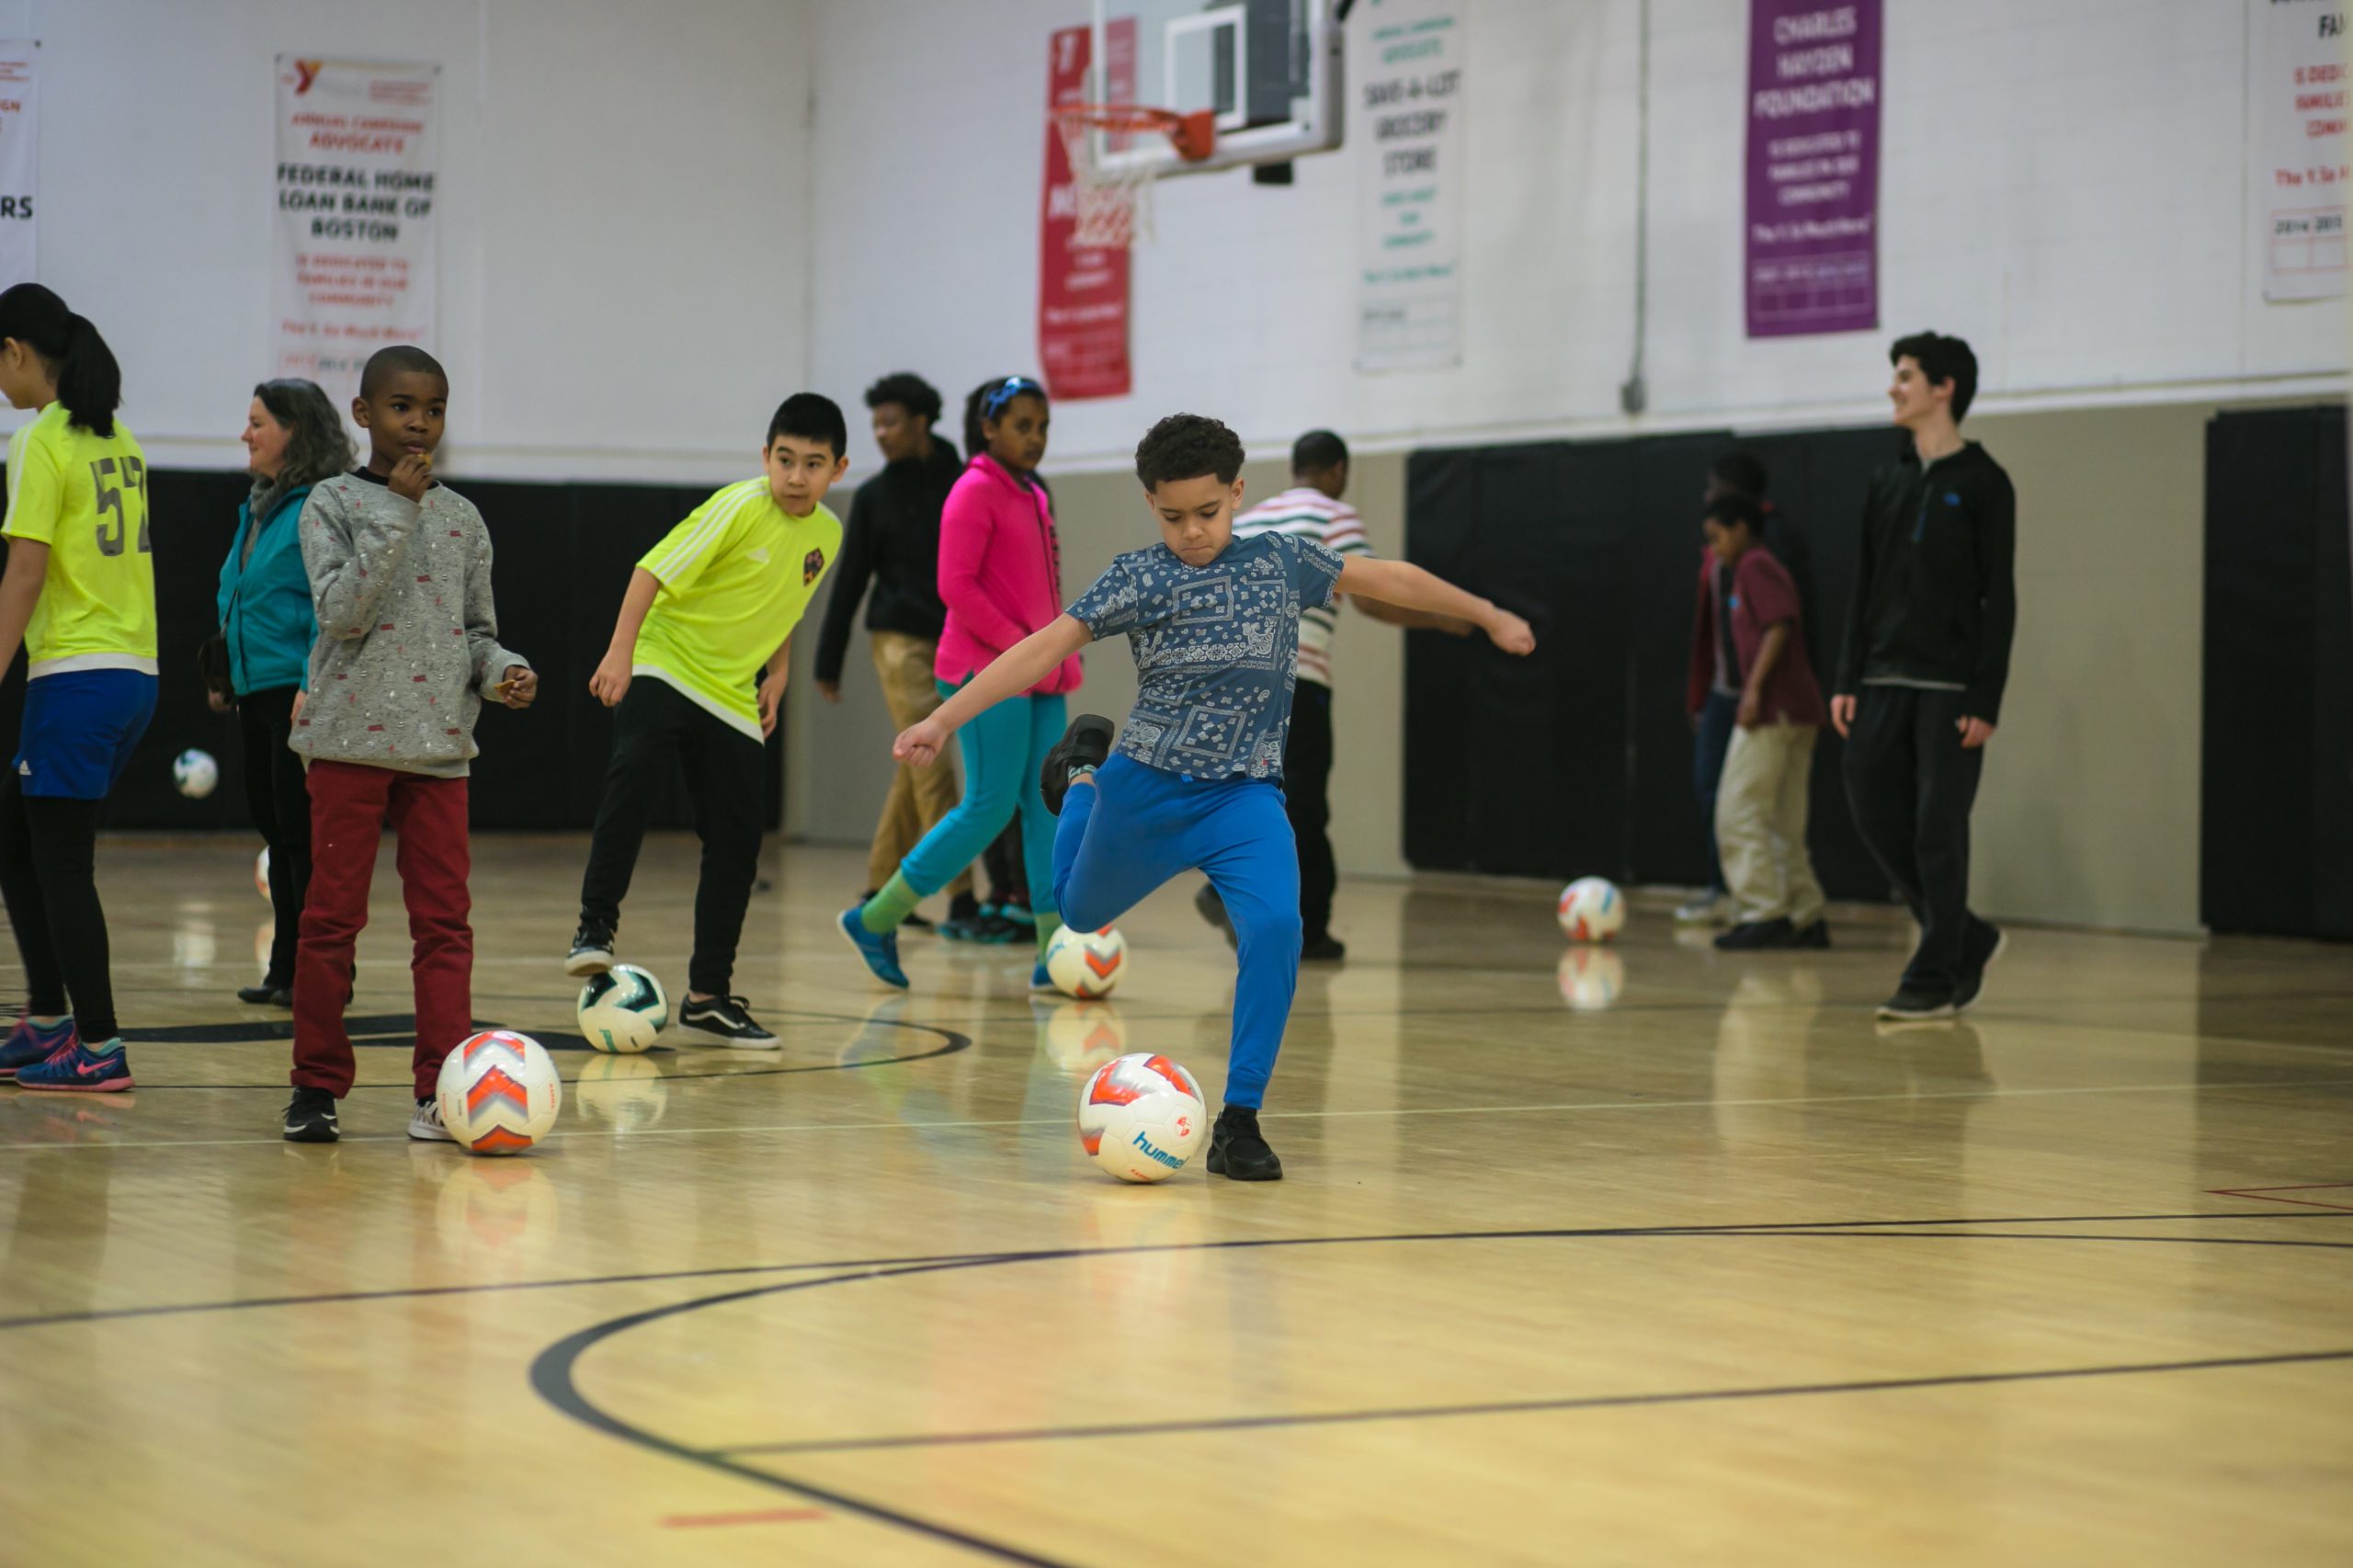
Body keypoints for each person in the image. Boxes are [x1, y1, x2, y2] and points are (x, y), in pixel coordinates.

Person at [889, 414, 1534, 1178]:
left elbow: (1386, 575)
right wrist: (942, 716)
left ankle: (1240, 1121)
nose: (1192, 532)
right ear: (1149, 503)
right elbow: (1039, 650)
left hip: (1244, 797)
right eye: (1172, 516)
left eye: (1208, 512)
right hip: (1147, 787)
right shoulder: (1139, 577)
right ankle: (1081, 779)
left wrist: (1488, 614)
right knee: (1081, 915)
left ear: (1238, 492)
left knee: (1275, 930)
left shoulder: (1282, 562)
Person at [280, 346, 537, 1142]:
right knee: (329, 922)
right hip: (348, 745)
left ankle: (442, 1086)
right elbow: (341, 614)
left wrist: (505, 672)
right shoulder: (329, 503)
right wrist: (393, 508)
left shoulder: (462, 518)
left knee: (445, 926)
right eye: (401, 407)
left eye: (432, 408)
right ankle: (316, 1086)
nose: (418, 422)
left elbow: (476, 634)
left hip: (437, 752)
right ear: (363, 415)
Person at [567, 394, 849, 1047]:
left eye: (813, 464)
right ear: (765, 457)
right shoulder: (738, 506)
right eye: (784, 460)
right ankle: (594, 928)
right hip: (666, 660)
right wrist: (619, 654)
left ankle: (708, 996)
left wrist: (776, 676)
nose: (796, 476)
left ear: (837, 468)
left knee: (738, 841)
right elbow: (650, 570)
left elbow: (787, 606)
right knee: (632, 778)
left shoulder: (827, 535)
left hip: (729, 691)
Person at [1195, 428, 1472, 962]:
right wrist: (1441, 618)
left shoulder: (1249, 519)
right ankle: (1311, 931)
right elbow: (1372, 596)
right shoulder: (1333, 515)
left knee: (1248, 800)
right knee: (1302, 805)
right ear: (1338, 472)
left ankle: (1225, 890)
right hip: (1296, 685)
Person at [837, 375, 1077, 987]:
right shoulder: (972, 490)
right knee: (987, 808)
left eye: (1043, 427)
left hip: (1038, 674)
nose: (1036, 438)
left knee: (1049, 809)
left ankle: (1053, 954)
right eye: (1023, 426)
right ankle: (875, 917)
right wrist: (1023, 648)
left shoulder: (1034, 494)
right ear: (989, 428)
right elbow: (956, 588)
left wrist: (1051, 651)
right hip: (984, 671)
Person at [1831, 332, 2015, 1021]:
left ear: (1944, 388)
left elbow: (2001, 597)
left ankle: (1936, 971)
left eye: (1905, 376)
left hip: (1948, 694)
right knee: (1873, 809)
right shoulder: (1888, 479)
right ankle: (1965, 934)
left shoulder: (1985, 484)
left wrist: (1985, 695)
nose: (1893, 387)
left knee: (1939, 826)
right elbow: (1865, 585)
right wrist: (1848, 676)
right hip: (1879, 683)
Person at [0, 285, 154, 1095]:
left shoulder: (39, 441)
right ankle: (50, 1020)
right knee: (17, 842)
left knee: (60, 864)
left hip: (76, 676)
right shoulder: (117, 437)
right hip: (131, 675)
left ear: (18, 351)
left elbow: (24, 572)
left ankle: (97, 1046)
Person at [812, 371, 974, 932]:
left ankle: (879, 886)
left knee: (912, 768)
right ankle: (961, 897)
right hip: (898, 641)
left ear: (922, 420)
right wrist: (827, 659)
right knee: (934, 766)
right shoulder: (875, 495)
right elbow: (850, 577)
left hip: (954, 636)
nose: (880, 433)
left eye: (891, 422)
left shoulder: (959, 478)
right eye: (875, 423)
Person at [215, 379, 353, 1007]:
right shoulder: (259, 507)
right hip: (255, 692)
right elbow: (239, 595)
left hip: (298, 694)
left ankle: (324, 975)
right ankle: (285, 971)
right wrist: (223, 674)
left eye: (257, 422)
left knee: (302, 838)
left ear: (294, 431)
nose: (245, 434)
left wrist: (309, 684)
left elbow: (334, 611)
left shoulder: (318, 508)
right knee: (278, 833)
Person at [1678, 452, 1816, 927]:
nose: (1712, 548)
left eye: (1716, 537)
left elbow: (1779, 627)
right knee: (1781, 819)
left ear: (1737, 526)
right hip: (1777, 704)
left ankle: (1762, 912)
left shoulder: (1757, 564)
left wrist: (1754, 692)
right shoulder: (1745, 561)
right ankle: (1803, 911)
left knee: (1737, 813)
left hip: (1770, 705)